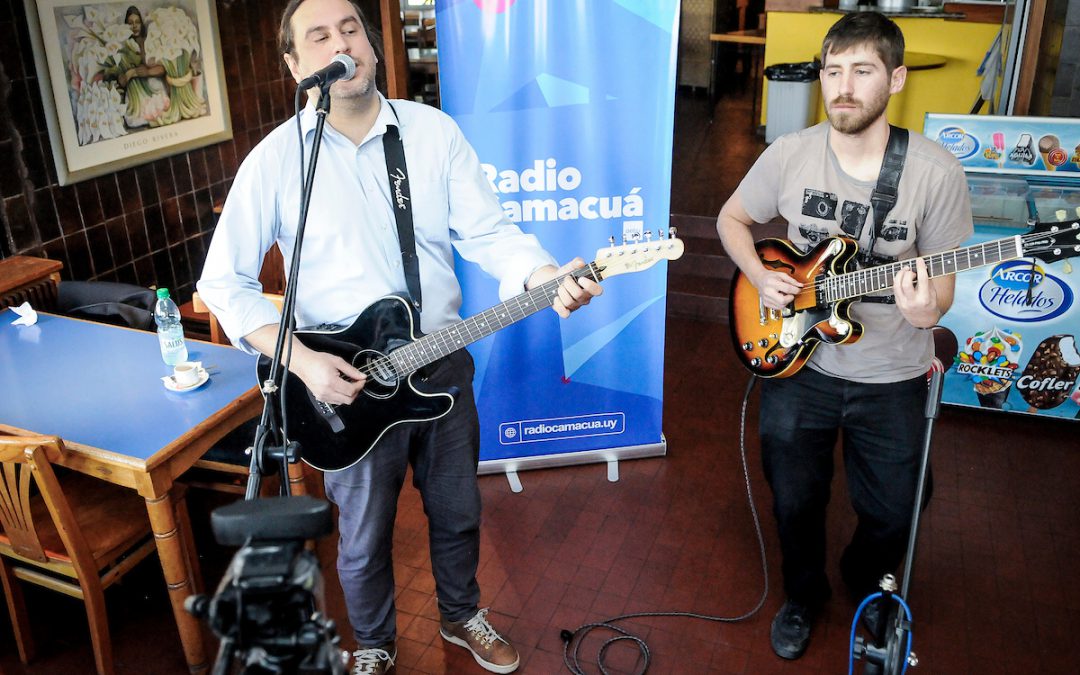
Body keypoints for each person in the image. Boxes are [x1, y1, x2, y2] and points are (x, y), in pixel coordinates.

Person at [197, 1, 601, 673]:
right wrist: (302, 362)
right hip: (341, 383)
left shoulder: (430, 132)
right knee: (360, 538)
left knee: (458, 508)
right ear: (298, 67)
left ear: (374, 44)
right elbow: (223, 283)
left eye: (351, 28)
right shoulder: (276, 160)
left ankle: (460, 612)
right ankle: (376, 644)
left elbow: (491, 234)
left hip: (441, 361)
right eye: (320, 36)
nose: (342, 42)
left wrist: (543, 273)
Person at [716, 12, 973, 661]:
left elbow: (941, 285)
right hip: (800, 362)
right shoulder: (791, 153)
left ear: (896, 78)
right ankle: (803, 595)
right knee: (795, 496)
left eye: (862, 71)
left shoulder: (935, 174)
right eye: (834, 71)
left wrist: (925, 313)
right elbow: (733, 218)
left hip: (892, 372)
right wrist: (759, 275)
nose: (843, 87)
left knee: (899, 505)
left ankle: (869, 583)